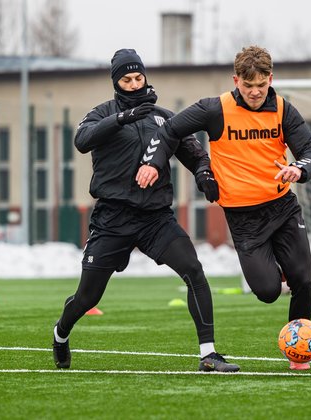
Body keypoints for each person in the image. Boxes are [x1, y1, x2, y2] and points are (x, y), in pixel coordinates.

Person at [51, 49, 239, 373]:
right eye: (127, 79)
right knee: (87, 298)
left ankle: (209, 355)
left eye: (139, 77)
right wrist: (122, 118)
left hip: (155, 218)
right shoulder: (103, 113)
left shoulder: (165, 118)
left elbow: (196, 154)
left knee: (193, 270)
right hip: (112, 218)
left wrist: (203, 174)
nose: (135, 84)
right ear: (116, 82)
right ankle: (61, 332)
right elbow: (82, 140)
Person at [136, 45, 311, 370]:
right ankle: (278, 269)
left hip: (282, 208)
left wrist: (299, 168)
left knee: (303, 279)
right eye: (248, 86)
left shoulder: (282, 110)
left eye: (261, 85)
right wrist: (157, 162)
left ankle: (298, 353)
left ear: (270, 79)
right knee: (266, 291)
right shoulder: (215, 109)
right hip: (243, 218)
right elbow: (170, 130)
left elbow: (310, 152)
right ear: (236, 80)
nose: (255, 92)